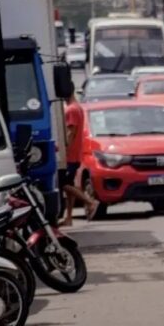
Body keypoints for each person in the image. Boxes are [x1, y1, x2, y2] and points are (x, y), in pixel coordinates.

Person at [62, 89, 98, 225]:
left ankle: (90, 202)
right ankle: (69, 218)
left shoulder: (71, 109)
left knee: (63, 184)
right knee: (70, 185)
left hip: (70, 155)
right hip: (76, 154)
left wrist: (63, 151)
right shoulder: (77, 108)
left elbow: (70, 132)